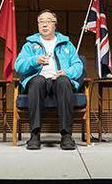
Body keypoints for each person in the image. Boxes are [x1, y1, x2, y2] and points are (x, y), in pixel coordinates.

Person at [14, 10, 83, 150]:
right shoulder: (29, 45)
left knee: (64, 81)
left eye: (48, 21)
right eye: (41, 21)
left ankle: (66, 136)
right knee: (37, 80)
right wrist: (35, 60)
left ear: (55, 25)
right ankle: (34, 135)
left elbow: (78, 65)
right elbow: (18, 66)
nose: (44, 24)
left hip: (58, 80)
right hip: (39, 81)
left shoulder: (66, 44)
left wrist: (67, 72)